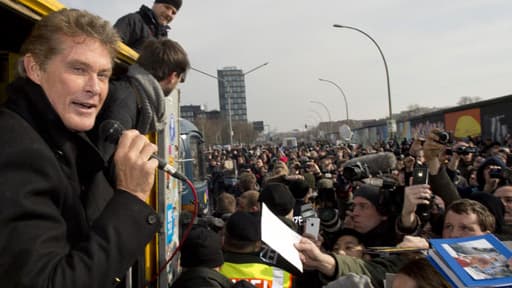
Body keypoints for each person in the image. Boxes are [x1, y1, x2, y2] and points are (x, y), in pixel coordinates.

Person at [0, 9, 160, 287]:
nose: (95, 88)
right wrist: (131, 195)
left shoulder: (59, 138)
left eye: (103, 75)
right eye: (79, 69)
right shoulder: (16, 151)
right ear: (35, 68)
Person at [94, 37, 189, 158]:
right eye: (180, 79)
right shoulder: (124, 101)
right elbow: (102, 162)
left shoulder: (132, 96)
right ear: (173, 76)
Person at [114, 0, 182, 52]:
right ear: (155, 4)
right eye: (167, 7)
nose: (169, 14)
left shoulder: (164, 39)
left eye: (174, 12)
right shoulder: (133, 21)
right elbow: (109, 45)